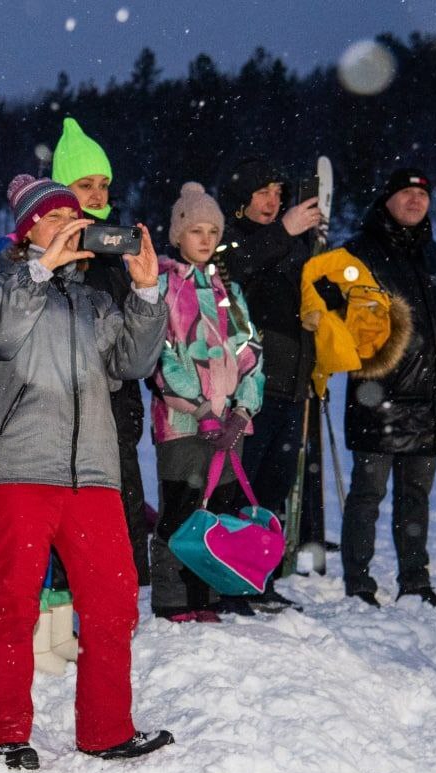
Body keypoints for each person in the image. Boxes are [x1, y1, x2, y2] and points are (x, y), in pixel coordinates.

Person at [0, 176, 172, 769]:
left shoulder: (94, 299)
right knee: (14, 602)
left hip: (93, 473)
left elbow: (134, 362)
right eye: (56, 217)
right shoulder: (0, 282)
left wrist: (146, 292)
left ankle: (106, 730)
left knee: (113, 602)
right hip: (17, 468)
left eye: (76, 219)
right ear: (29, 228)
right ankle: (4, 729)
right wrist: (37, 272)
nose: (71, 227)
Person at [337, 169, 436, 611]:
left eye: (422, 194)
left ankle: (415, 583)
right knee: (368, 495)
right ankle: (358, 584)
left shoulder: (433, 253)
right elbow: (336, 310)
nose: (416, 201)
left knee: (415, 498)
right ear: (388, 199)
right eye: (406, 193)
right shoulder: (361, 251)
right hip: (378, 396)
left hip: (429, 398)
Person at [149, 183, 265, 621]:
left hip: (230, 426)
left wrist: (241, 409)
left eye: (212, 231)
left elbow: (250, 353)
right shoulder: (163, 285)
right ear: (178, 233)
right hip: (183, 425)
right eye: (195, 229)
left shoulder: (227, 290)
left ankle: (207, 597)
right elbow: (162, 355)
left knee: (219, 511)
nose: (204, 239)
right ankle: (173, 598)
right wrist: (201, 409)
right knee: (182, 508)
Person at [53, 117, 152, 584]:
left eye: (103, 184)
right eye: (84, 184)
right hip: (69, 398)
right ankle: (74, 592)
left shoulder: (119, 242)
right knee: (74, 506)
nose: (96, 194)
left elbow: (140, 328)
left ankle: (128, 585)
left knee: (124, 495)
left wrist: (144, 282)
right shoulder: (48, 249)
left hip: (120, 397)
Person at [221, 157, 320, 612]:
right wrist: (285, 230)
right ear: (242, 200)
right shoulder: (227, 237)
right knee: (240, 487)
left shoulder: (295, 243)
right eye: (263, 193)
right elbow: (236, 269)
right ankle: (229, 580)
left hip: (293, 384)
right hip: (251, 389)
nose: (273, 202)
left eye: (278, 193)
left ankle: (259, 578)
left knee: (273, 491)